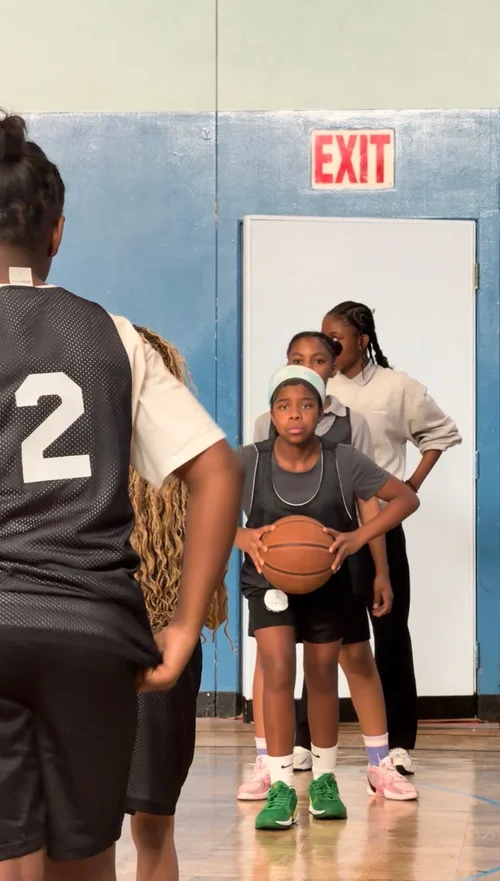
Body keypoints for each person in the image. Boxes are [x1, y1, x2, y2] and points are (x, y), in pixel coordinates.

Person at [0, 112, 242, 881]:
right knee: (87, 859)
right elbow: (218, 469)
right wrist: (178, 624)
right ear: (58, 231)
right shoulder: (114, 335)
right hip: (94, 629)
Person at [235, 365, 419, 830]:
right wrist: (241, 535)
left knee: (321, 675)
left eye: (306, 405)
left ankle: (324, 781)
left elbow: (404, 499)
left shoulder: (345, 460)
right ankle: (279, 786)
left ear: (321, 413)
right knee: (277, 668)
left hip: (330, 579)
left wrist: (358, 539)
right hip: (270, 582)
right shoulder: (247, 460)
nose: (294, 414)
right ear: (272, 415)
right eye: (283, 406)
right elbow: (195, 501)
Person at [320, 300, 461, 775]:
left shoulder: (396, 387)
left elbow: (441, 433)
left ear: (362, 340)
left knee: (390, 632)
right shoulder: (316, 388)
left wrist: (409, 489)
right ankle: (302, 743)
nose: (328, 348)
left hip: (378, 528)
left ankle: (399, 744)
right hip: (324, 527)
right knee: (318, 631)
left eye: (336, 339)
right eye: (323, 339)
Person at [126, 327, 230, 881]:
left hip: (108, 644)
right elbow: (208, 600)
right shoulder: (194, 473)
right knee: (153, 830)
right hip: (164, 648)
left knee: (73, 830)